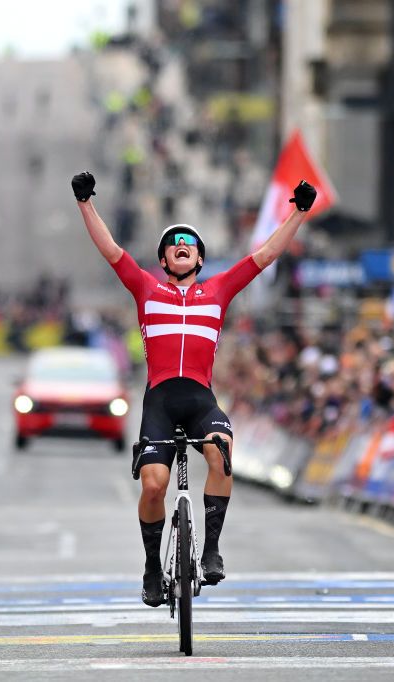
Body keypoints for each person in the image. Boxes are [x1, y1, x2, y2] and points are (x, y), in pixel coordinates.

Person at [71, 170, 317, 606]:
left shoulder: (218, 290)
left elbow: (265, 254)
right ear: (163, 261)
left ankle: (211, 551)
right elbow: (111, 250)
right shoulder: (145, 287)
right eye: (173, 243)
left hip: (201, 398)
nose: (182, 244)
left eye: (189, 243)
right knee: (153, 486)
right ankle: (151, 568)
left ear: (200, 260)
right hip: (161, 401)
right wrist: (86, 202)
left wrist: (298, 212)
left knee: (221, 451)